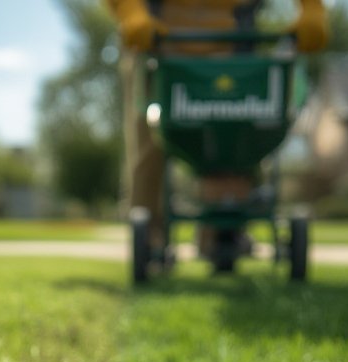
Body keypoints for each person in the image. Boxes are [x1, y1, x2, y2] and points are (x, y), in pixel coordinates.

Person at [105, 0, 329, 259]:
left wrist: (313, 9)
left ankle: (222, 233)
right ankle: (149, 238)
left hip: (231, 35)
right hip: (154, 37)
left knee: (232, 134)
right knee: (151, 140)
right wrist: (131, 11)